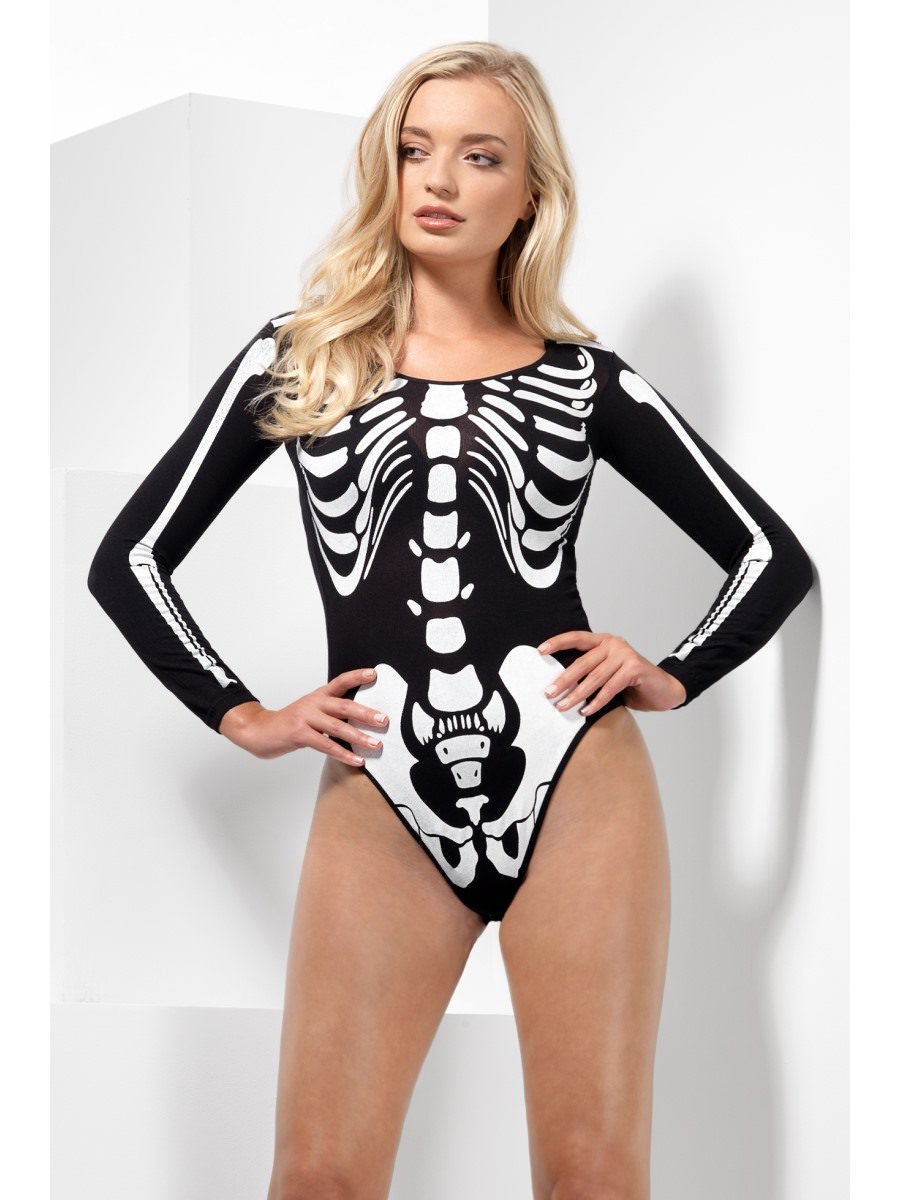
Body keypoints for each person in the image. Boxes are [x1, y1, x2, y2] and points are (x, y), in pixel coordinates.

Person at [86, 40, 814, 1200]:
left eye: (481, 157)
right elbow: (128, 559)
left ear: (529, 196)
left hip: (580, 781)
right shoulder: (300, 357)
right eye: (415, 150)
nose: (438, 178)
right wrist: (244, 715)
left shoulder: (585, 380)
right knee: (319, 1178)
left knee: (592, 1178)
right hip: (379, 789)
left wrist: (674, 670)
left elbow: (772, 555)